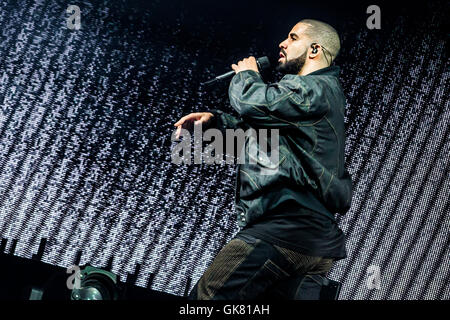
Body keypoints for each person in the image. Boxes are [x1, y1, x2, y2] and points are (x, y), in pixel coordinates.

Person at [174, 19, 353, 300]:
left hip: (284, 230)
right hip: (315, 242)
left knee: (207, 300)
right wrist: (216, 122)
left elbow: (252, 102)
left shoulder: (315, 89)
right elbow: (263, 136)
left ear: (315, 49)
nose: (282, 43)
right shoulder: (308, 98)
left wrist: (247, 75)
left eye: (293, 38)